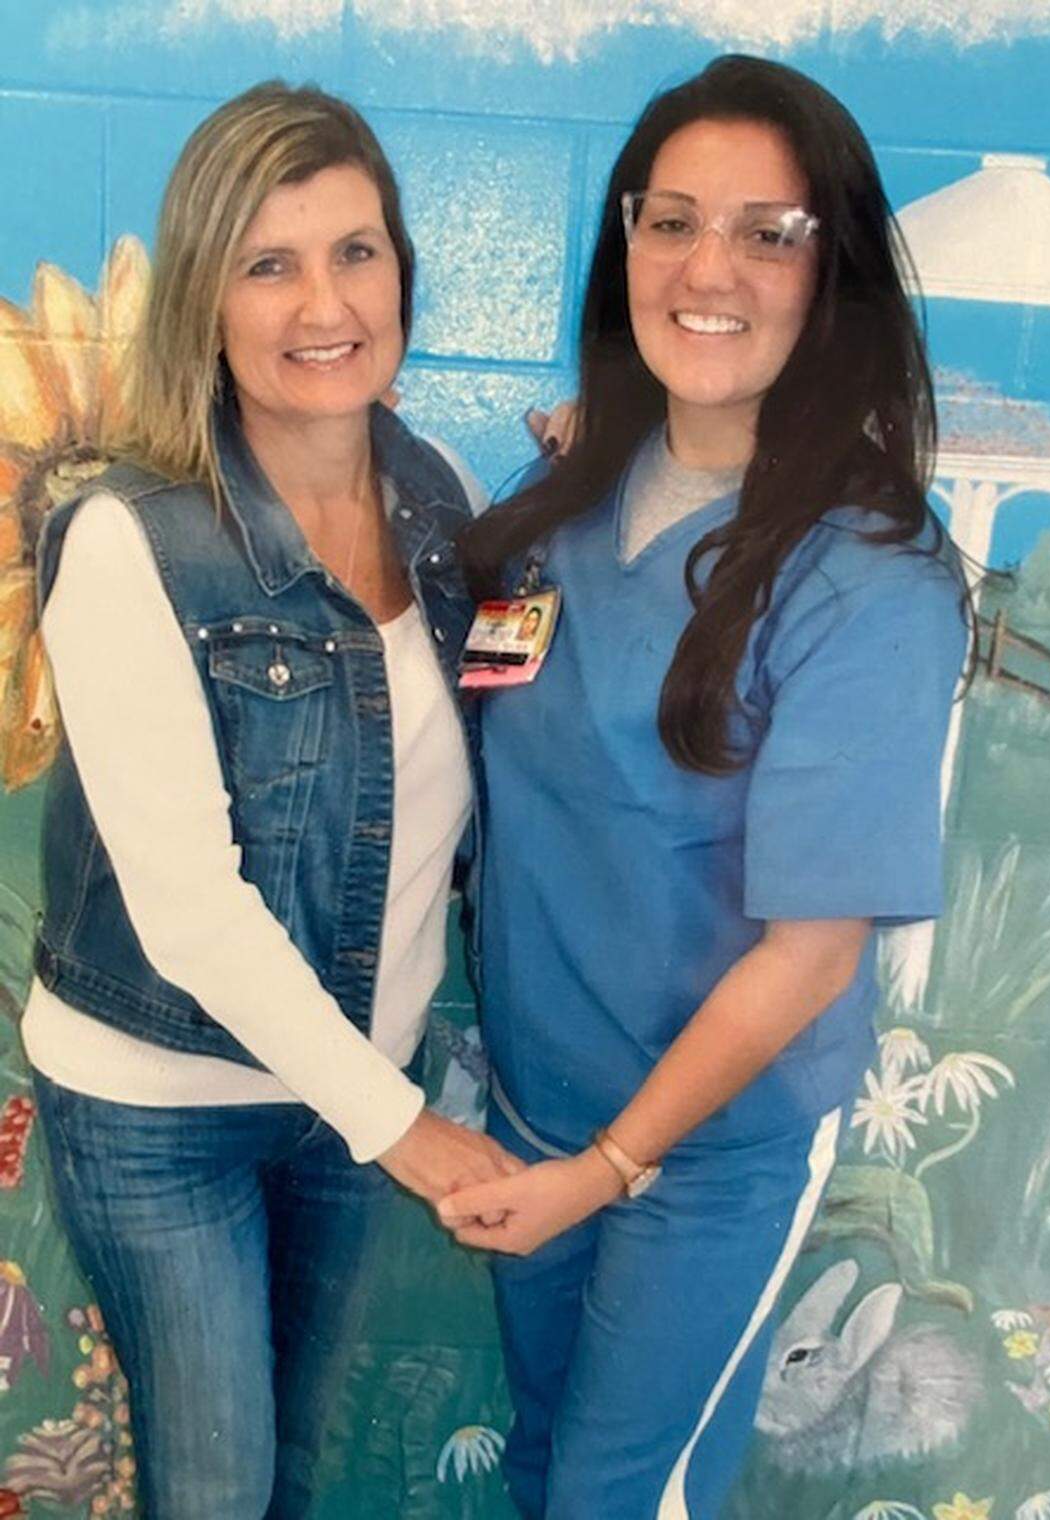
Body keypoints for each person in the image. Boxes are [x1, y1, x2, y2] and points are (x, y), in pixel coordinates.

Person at [446, 54, 970, 1519]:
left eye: (767, 233)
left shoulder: (869, 578)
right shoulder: (557, 512)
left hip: (707, 1155)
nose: (709, 268)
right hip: (538, 1105)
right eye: (670, 222)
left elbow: (812, 954)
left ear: (832, 272)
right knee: (545, 1467)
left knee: (621, 1498)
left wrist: (610, 1164)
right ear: (624, 246)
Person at [25, 82, 522, 1519]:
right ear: (206, 302)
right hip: (164, 1099)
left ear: (402, 273)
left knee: (298, 1464)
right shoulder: (130, 539)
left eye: (356, 252)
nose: (324, 304)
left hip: (351, 1088)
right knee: (218, 1486)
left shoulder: (437, 497)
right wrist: (400, 1125)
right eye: (269, 263)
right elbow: (189, 907)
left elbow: (487, 750)